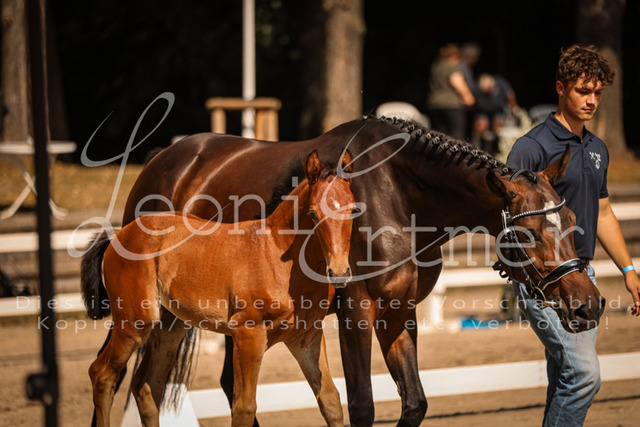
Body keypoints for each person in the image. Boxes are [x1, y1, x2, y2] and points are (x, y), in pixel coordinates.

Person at [507, 44, 640, 426]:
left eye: (597, 92)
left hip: (583, 276)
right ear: (561, 88)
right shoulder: (531, 147)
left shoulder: (598, 149)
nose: (591, 100)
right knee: (584, 375)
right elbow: (509, 217)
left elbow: (603, 213)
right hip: (544, 279)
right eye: (583, 91)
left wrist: (628, 269)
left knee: (566, 378)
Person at [427, 43, 475, 140]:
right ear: (455, 56)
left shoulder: (436, 66)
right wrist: (468, 97)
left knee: (438, 136)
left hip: (434, 104)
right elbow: (456, 81)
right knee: (456, 136)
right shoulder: (451, 66)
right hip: (451, 105)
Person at [474, 73, 519, 154]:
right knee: (481, 125)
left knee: (498, 124)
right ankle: (481, 148)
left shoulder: (502, 84)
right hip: (483, 110)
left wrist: (514, 110)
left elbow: (511, 96)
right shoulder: (477, 88)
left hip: (498, 109)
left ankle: (496, 148)